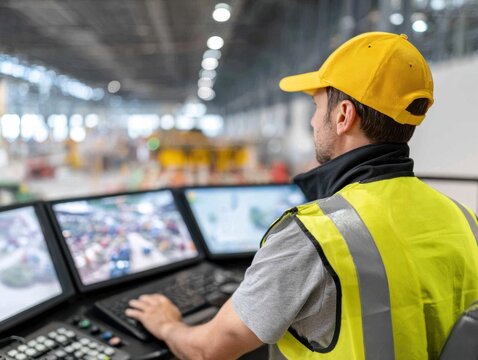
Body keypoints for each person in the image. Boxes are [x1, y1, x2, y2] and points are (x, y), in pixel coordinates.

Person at [125, 32, 478, 359]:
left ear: (343, 115)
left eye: (315, 105)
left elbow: (210, 350)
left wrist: (167, 324)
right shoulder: (465, 220)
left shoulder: (315, 235)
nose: (312, 122)